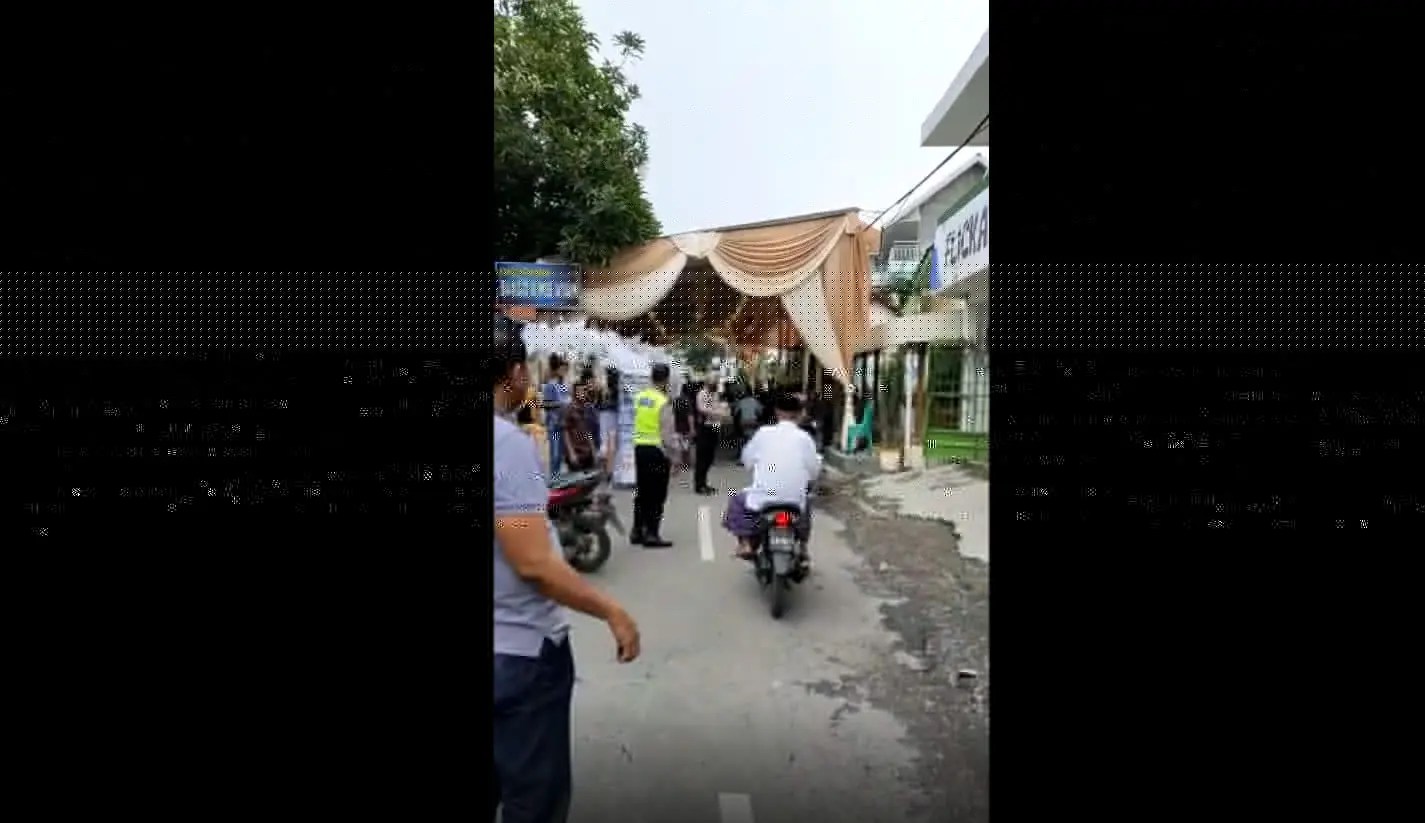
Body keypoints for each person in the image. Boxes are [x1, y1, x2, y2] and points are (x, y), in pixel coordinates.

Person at [490, 312, 641, 823]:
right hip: (519, 655)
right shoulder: (504, 442)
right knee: (533, 805)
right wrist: (612, 610)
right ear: (513, 373)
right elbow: (532, 563)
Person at [721, 392, 822, 566]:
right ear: (799, 413)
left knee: (737, 501)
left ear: (777, 412)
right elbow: (814, 471)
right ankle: (803, 546)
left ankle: (745, 543)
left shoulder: (763, 433)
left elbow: (747, 461)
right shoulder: (805, 438)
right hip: (794, 501)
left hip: (763, 498)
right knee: (806, 505)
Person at [631, 363, 680, 548]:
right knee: (657, 495)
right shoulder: (663, 401)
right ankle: (652, 533)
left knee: (642, 492)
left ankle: (637, 530)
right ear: (666, 380)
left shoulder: (640, 397)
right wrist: (675, 458)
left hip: (639, 448)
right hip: (657, 451)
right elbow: (667, 434)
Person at [542, 355, 572, 478]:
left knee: (561, 454)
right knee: (555, 454)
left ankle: (558, 477)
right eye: (563, 368)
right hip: (554, 424)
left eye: (566, 368)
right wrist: (560, 404)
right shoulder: (550, 385)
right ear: (557, 369)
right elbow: (545, 404)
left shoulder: (565, 386)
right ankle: (554, 478)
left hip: (564, 423)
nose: (565, 371)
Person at [693, 379, 724, 495]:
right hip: (704, 427)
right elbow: (701, 409)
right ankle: (699, 485)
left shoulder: (715, 394)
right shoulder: (702, 394)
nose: (716, 387)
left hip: (715, 426)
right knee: (702, 457)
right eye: (714, 385)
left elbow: (718, 407)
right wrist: (716, 413)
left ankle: (704, 483)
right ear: (708, 384)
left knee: (710, 457)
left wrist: (720, 412)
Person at [562, 382, 598, 473]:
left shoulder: (587, 409)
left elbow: (588, 432)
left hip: (587, 453)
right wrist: (571, 453)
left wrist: (593, 451)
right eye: (579, 391)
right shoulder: (569, 409)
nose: (582, 393)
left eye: (584, 391)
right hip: (576, 453)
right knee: (576, 483)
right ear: (574, 393)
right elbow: (565, 433)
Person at [597, 367, 620, 476]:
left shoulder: (604, 389)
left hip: (605, 416)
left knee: (606, 443)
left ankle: (607, 470)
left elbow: (597, 405)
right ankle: (609, 470)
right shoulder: (614, 389)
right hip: (612, 416)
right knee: (611, 444)